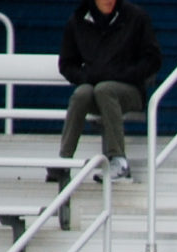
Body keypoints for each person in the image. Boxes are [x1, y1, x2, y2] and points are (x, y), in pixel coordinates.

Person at [57, 0, 162, 183]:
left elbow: (153, 59)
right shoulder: (78, 20)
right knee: (82, 93)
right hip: (95, 89)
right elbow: (67, 64)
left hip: (130, 91)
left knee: (105, 89)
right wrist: (87, 77)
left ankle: (119, 161)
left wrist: (123, 74)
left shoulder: (136, 17)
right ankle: (63, 161)